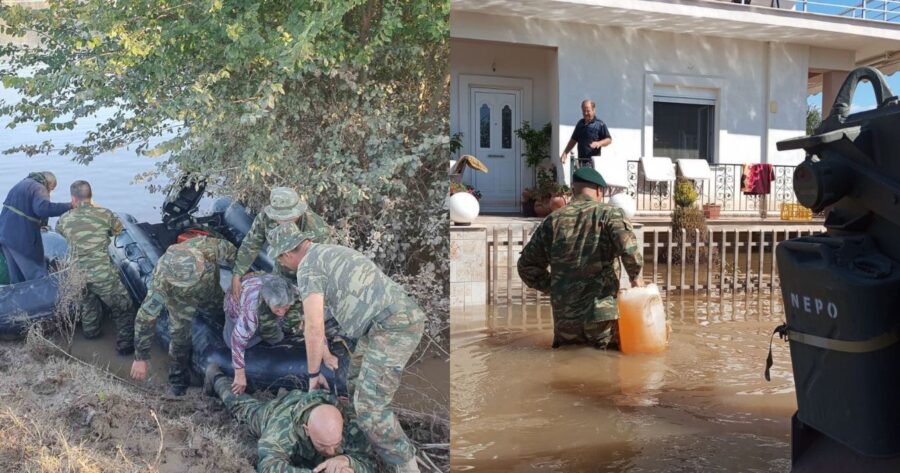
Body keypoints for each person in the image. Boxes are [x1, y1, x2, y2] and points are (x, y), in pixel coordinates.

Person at [267, 223, 424, 473]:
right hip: (379, 325)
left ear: (286, 254)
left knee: (370, 406)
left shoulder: (307, 268)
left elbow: (314, 329)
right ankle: (357, 445)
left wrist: (312, 374)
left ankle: (407, 467)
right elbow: (315, 319)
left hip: (392, 325)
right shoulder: (327, 252)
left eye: (280, 259)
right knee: (354, 381)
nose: (283, 265)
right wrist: (325, 354)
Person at [518, 167, 643, 349]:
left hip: (565, 319)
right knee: (605, 368)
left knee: (565, 363)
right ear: (600, 191)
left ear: (574, 190)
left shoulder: (553, 220)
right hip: (601, 316)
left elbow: (526, 266)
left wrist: (555, 287)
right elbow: (629, 251)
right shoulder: (609, 214)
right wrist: (636, 279)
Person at [204, 364, 377, 473]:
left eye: (336, 444)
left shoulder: (350, 424)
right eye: (323, 445)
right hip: (275, 412)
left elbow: (370, 463)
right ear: (307, 430)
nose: (331, 452)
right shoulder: (281, 429)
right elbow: (267, 467)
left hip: (309, 403)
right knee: (242, 407)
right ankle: (217, 378)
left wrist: (348, 462)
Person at [130, 235, 237, 396]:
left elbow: (234, 254)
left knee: (223, 315)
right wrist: (140, 357)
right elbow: (145, 318)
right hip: (180, 301)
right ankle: (178, 382)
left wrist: (238, 277)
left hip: (210, 291)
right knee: (180, 339)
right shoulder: (162, 280)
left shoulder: (207, 247)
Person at [224, 273, 339, 395]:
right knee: (238, 342)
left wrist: (326, 354)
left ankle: (274, 326)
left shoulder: (294, 292)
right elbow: (237, 341)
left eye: (285, 307)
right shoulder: (251, 309)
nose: (281, 312)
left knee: (294, 321)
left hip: (264, 285)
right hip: (236, 305)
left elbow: (313, 327)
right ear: (267, 301)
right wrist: (239, 375)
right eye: (277, 309)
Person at [56, 180, 136, 354]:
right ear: (91, 196)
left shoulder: (64, 218)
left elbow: (61, 232)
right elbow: (117, 230)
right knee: (123, 307)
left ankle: (91, 334)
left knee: (87, 302)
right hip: (102, 273)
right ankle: (125, 347)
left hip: (77, 272)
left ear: (73, 199)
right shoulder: (105, 214)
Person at [230, 187, 333, 301]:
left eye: (289, 217)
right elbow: (251, 244)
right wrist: (237, 274)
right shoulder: (266, 218)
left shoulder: (317, 229)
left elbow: (322, 270)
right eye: (280, 218)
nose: (284, 222)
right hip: (281, 273)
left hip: (308, 279)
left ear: (298, 212)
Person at [0, 171, 72, 283]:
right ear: (48, 184)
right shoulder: (39, 188)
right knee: (36, 271)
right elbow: (43, 209)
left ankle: (20, 298)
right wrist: (70, 205)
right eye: (51, 189)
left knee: (16, 275)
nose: (50, 193)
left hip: (5, 235)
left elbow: (23, 211)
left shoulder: (21, 184)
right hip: (21, 239)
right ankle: (45, 296)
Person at [559, 99, 612, 169]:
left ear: (593, 110)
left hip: (592, 163)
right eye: (584, 111)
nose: (586, 113)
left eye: (588, 111)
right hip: (580, 161)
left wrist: (599, 143)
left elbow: (609, 139)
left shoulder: (600, 124)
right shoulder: (580, 123)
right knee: (578, 179)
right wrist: (565, 153)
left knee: (590, 180)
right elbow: (573, 140)